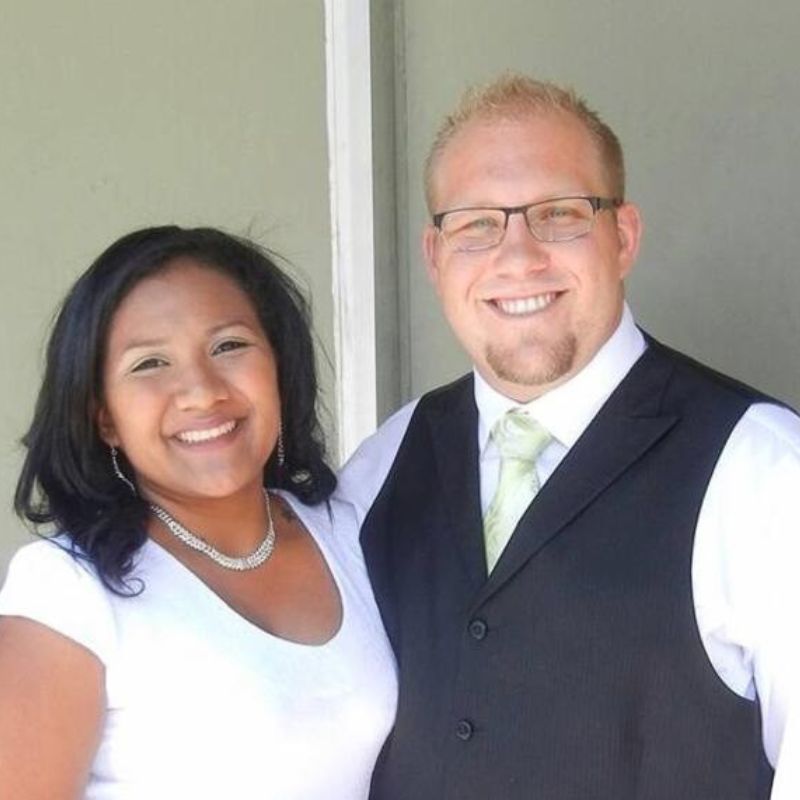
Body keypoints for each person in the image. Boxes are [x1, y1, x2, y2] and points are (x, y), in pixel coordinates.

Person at [337, 75, 800, 799]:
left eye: (558, 214)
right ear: (435, 256)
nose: (518, 257)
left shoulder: (765, 473)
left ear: (623, 237)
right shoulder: (380, 467)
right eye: (477, 223)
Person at [0, 226, 397, 799]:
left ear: (280, 371)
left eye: (229, 346)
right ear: (105, 418)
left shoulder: (348, 533)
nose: (201, 391)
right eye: (149, 364)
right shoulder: (65, 591)